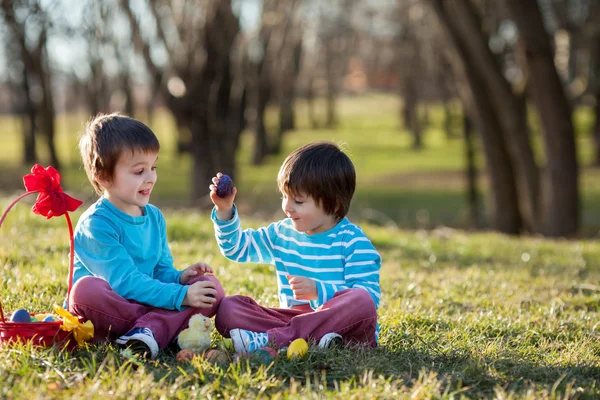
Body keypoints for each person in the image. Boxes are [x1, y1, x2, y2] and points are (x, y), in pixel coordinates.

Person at [70, 113, 225, 359]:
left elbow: (159, 270)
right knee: (85, 290)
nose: (150, 177)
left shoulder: (154, 217)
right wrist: (181, 296)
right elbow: (125, 282)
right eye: (139, 170)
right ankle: (161, 328)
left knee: (211, 288)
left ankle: (147, 333)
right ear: (104, 177)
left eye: (153, 167)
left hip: (150, 301)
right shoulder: (96, 224)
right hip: (113, 308)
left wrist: (180, 277)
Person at [209, 141, 381, 353]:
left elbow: (369, 299)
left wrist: (319, 290)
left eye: (298, 201)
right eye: (284, 196)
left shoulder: (353, 241)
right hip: (294, 318)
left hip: (344, 326)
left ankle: (275, 339)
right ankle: (313, 341)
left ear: (334, 203)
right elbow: (237, 248)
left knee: (361, 299)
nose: (287, 207)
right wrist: (224, 211)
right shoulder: (282, 233)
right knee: (229, 308)